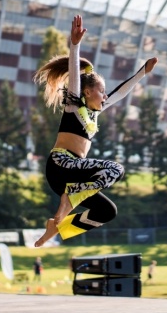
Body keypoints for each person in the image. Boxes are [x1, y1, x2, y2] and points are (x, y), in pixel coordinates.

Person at [33, 15, 158, 246]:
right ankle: (68, 202)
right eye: (102, 92)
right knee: (116, 168)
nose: (105, 97)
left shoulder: (94, 113)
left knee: (107, 211)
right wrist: (75, 44)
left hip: (72, 178)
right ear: (88, 92)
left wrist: (143, 72)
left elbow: (120, 93)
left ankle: (59, 225)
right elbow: (74, 75)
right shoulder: (73, 106)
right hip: (61, 166)